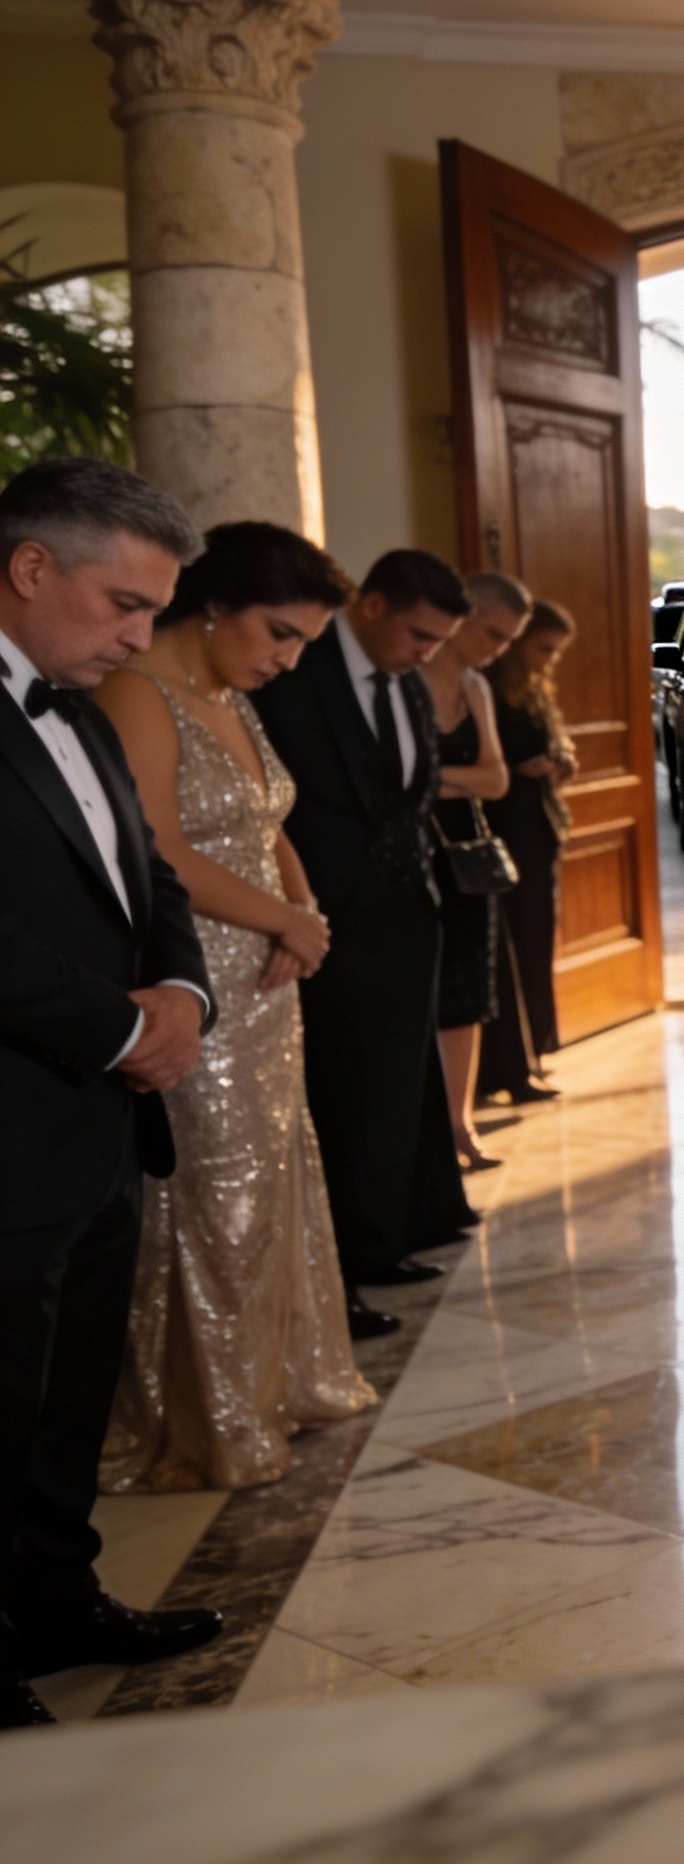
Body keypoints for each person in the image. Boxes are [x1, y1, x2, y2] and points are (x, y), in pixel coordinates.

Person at [0, 458, 221, 1729]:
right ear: (31, 567)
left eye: (155, 610)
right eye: (125, 603)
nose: (142, 638)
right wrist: (120, 1028)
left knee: (71, 1390)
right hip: (14, 1117)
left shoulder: (81, 709)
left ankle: (56, 1600)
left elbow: (152, 875)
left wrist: (181, 991)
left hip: (99, 1125)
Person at [92, 523, 376, 1492]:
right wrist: (287, 922)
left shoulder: (229, 693)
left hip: (266, 985)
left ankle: (275, 1383)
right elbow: (159, 847)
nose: (289, 660)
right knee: (215, 1195)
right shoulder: (139, 692)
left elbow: (267, 820)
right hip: (199, 986)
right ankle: (209, 1420)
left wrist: (302, 908)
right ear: (214, 604)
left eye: (304, 643)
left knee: (272, 1177)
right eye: (280, 633)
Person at [252, 548, 474, 1323]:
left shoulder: (406, 681)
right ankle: (335, 1274)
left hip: (406, 916)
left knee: (394, 1089)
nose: (427, 654)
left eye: (438, 642)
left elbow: (410, 795)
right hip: (319, 921)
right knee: (335, 1093)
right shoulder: (293, 672)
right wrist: (295, 911)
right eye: (420, 635)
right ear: (372, 605)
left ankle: (381, 1241)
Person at [420, 572, 531, 1168]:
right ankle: (428, 1133)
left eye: (509, 640)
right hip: (411, 851)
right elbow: (392, 781)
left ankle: (460, 1124)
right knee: (421, 989)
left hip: (467, 856)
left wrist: (432, 781)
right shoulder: (404, 679)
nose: (499, 648)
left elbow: (497, 780)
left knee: (468, 992)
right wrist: (451, 782)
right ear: (463, 618)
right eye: (493, 633)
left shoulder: (476, 688)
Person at [478, 600, 578, 1104]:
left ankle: (533, 1052)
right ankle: (506, 1065)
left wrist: (558, 763)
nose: (549, 660)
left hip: (536, 831)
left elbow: (559, 747)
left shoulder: (537, 692)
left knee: (536, 944)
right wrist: (517, 772)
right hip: (503, 831)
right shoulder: (485, 689)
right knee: (508, 952)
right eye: (544, 648)